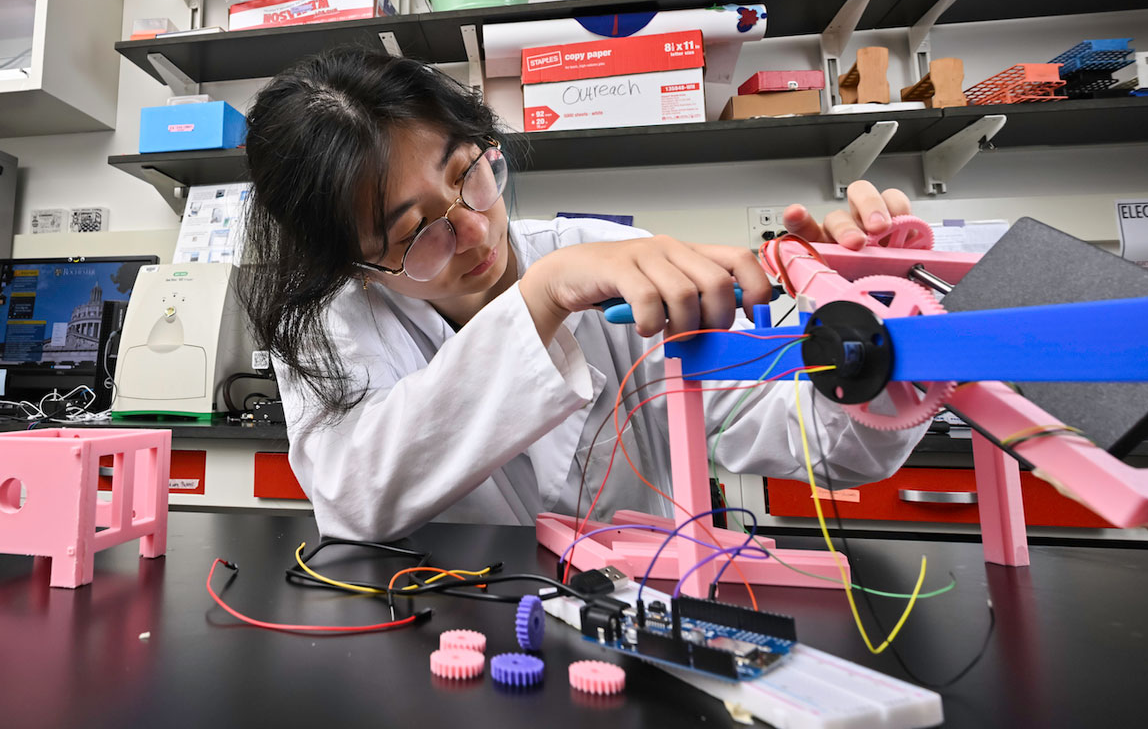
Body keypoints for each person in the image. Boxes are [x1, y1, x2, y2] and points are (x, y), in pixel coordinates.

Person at [238, 48, 926, 542]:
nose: (477, 229)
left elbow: (825, 448)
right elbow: (356, 499)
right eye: (416, 232)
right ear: (354, 264)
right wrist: (538, 300)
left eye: (467, 173)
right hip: (446, 645)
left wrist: (882, 326)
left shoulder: (608, 258)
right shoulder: (331, 323)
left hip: (645, 628)